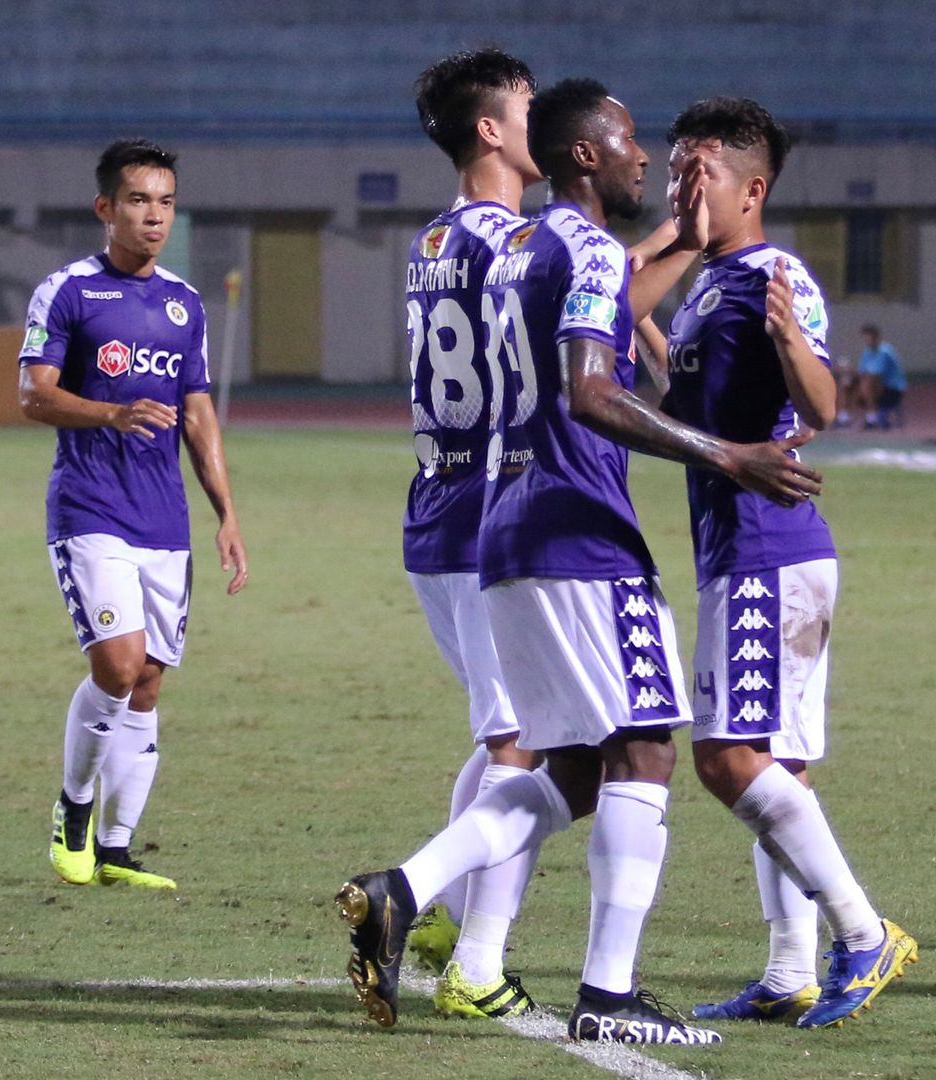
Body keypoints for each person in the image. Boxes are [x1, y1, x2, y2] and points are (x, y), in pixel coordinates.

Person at [335, 79, 823, 1044]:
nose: (649, 158)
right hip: (578, 528)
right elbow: (593, 388)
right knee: (643, 746)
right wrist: (726, 452)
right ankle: (607, 995)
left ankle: (406, 889)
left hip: (496, 523)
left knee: (565, 766)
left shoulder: (509, 247)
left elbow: (597, 314)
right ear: (587, 155)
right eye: (632, 140)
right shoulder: (580, 244)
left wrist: (676, 244)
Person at [650, 96, 916, 1029]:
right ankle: (788, 970)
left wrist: (796, 344)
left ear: (751, 187)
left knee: (724, 760)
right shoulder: (703, 284)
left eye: (701, 172)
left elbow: (823, 404)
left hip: (769, 547)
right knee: (778, 766)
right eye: (676, 167)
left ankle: (861, 931)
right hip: (743, 548)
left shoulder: (773, 272)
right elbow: (685, 401)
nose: (683, 185)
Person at [18, 138, 249, 892]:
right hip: (89, 509)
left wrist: (227, 512)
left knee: (148, 682)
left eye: (165, 201)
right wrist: (108, 414)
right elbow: (33, 395)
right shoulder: (69, 292)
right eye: (139, 200)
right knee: (116, 667)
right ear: (106, 208)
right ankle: (73, 811)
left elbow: (198, 414)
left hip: (163, 521)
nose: (154, 215)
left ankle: (117, 848)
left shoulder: (184, 304)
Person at [398, 47, 546, 1021]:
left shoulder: (430, 240)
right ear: (489, 129)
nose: (548, 122)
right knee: (524, 746)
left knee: (509, 729)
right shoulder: (515, 244)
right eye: (530, 107)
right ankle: (472, 962)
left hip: (435, 508)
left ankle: (445, 917)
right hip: (493, 513)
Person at [855, 324, 907, 429]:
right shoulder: (867, 352)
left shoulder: (885, 352)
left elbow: (876, 375)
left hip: (892, 390)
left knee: (869, 383)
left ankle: (871, 418)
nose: (867, 341)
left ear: (877, 338)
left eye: (869, 338)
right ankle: (843, 417)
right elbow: (861, 372)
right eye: (865, 338)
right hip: (873, 388)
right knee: (847, 383)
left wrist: (863, 386)